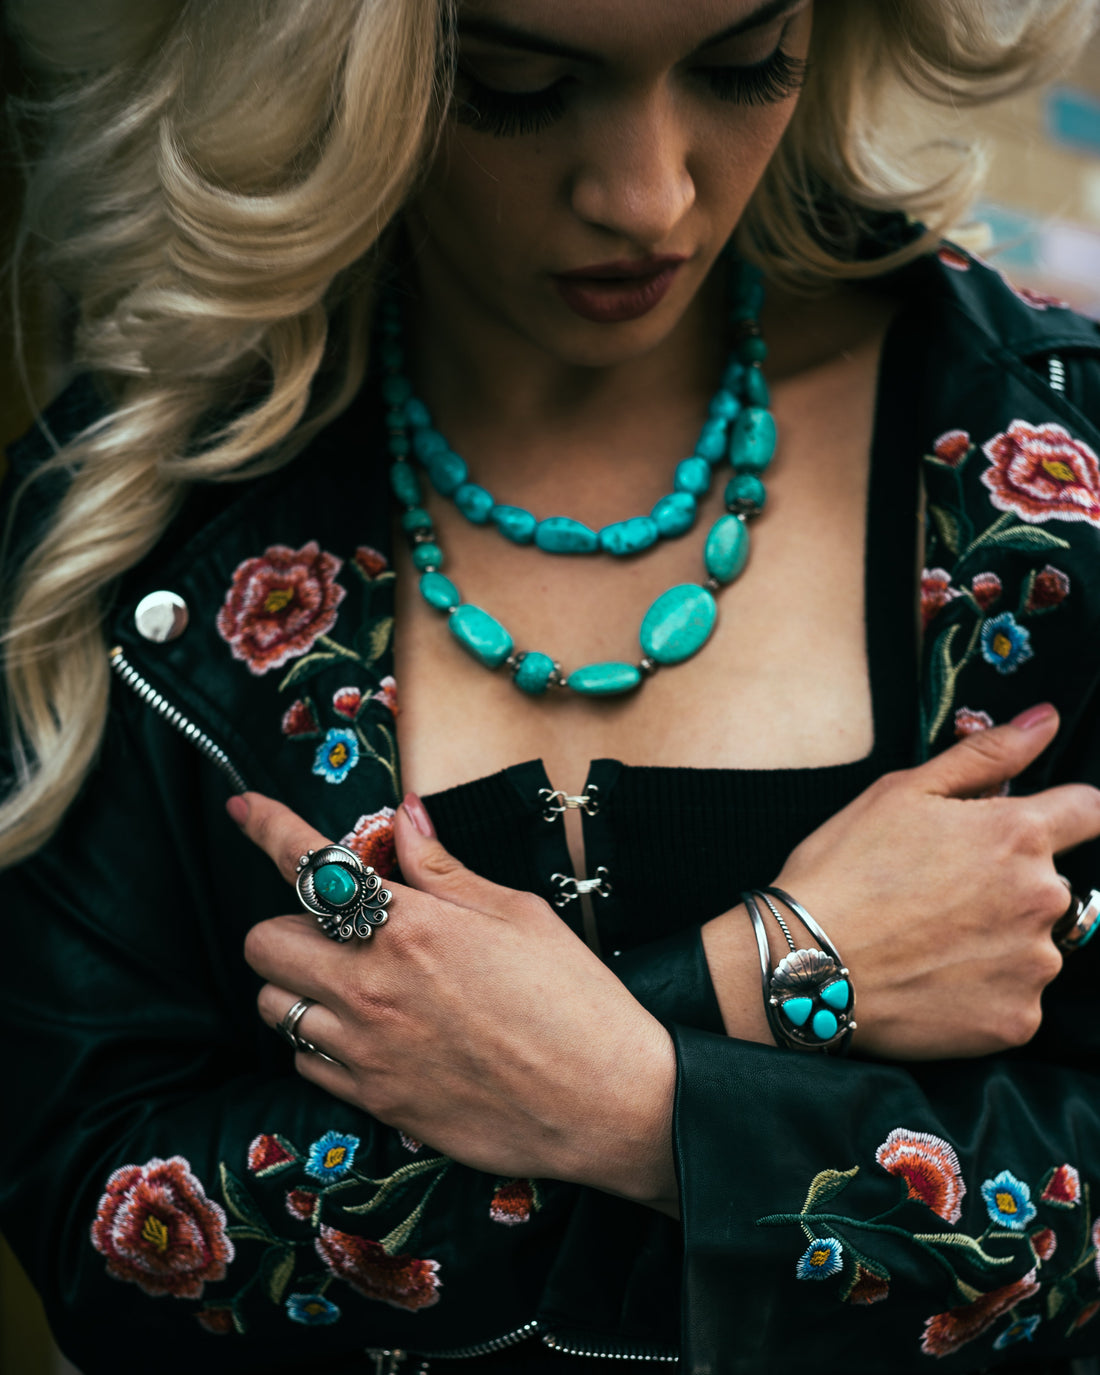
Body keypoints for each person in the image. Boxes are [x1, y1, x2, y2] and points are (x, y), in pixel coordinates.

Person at [2, 1, 1100, 1372]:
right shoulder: (136, 548)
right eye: (521, 85)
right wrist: (753, 982)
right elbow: (120, 1250)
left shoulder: (1052, 460)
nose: (647, 193)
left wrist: (640, 1100)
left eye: (742, 63)